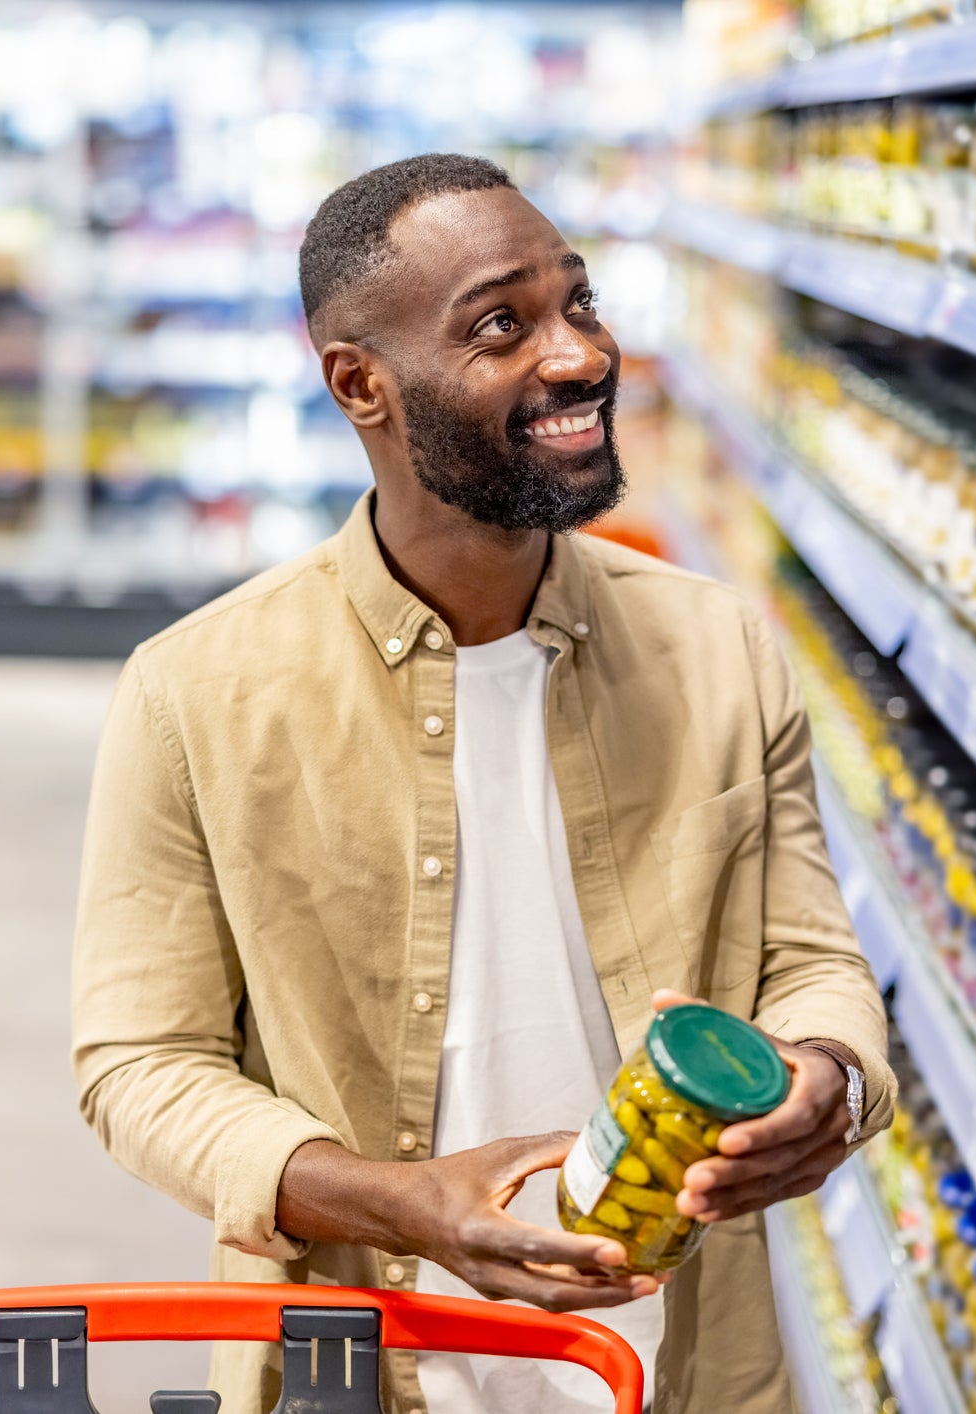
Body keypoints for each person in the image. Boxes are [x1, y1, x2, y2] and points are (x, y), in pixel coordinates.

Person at [71, 153, 892, 1414]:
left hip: (679, 1371)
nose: (576, 357)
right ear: (361, 385)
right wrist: (405, 1202)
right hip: (360, 1367)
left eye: (581, 304)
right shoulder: (195, 692)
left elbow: (809, 962)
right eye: (501, 325)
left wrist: (825, 1077)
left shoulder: (718, 645)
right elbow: (140, 1064)